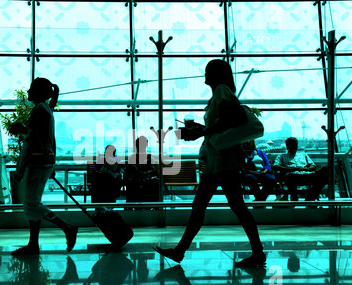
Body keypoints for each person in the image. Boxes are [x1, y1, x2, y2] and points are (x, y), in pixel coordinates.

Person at [154, 59, 266, 268]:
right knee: (225, 207)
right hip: (220, 162)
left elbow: (230, 119)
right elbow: (223, 123)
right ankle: (180, 250)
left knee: (218, 207)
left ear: (216, 74)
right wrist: (201, 129)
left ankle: (257, 253)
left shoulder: (222, 90)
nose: (204, 75)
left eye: (208, 71)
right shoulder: (219, 94)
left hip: (223, 162)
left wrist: (202, 132)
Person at [12, 77, 78, 256]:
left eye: (32, 88)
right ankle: (33, 243)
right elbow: (46, 138)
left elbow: (32, 139)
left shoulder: (40, 110)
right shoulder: (47, 109)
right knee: (32, 205)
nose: (28, 92)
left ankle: (66, 227)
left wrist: (21, 130)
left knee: (32, 204)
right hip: (45, 162)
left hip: (37, 163)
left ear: (39, 92)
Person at [273, 137, 328, 202]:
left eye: (295, 144)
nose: (294, 146)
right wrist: (294, 169)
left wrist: (306, 169)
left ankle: (311, 196)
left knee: (326, 172)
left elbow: (313, 165)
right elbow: (276, 166)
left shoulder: (303, 155)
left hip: (306, 174)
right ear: (287, 146)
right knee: (290, 177)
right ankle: (294, 197)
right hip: (292, 176)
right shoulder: (282, 156)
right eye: (292, 144)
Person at [125, 136, 159, 203]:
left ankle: (131, 203)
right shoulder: (148, 157)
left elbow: (153, 170)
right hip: (141, 178)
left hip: (141, 178)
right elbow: (153, 169)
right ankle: (155, 204)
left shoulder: (134, 157)